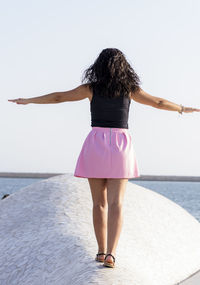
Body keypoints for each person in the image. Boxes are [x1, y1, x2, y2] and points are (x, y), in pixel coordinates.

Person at [8, 48, 200, 268]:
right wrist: (182, 108)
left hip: (96, 144)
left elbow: (59, 97)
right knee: (116, 203)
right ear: (124, 67)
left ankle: (100, 252)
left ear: (98, 66)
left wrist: (29, 100)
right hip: (121, 145)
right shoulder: (130, 89)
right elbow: (158, 102)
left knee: (99, 203)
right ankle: (111, 254)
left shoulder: (90, 89)